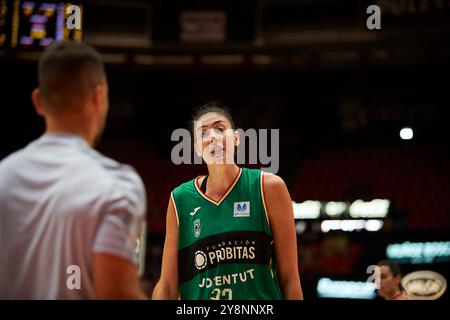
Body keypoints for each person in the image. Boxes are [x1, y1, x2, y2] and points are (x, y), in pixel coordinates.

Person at [0, 41, 147, 299]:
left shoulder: (3, 175)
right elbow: (115, 295)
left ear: (38, 101)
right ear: (98, 97)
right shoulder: (117, 184)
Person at [152, 101, 303, 300]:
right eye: (204, 133)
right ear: (197, 149)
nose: (213, 137)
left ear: (237, 139)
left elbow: (290, 277)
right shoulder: (180, 199)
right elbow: (167, 286)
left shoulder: (268, 188)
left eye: (220, 129)